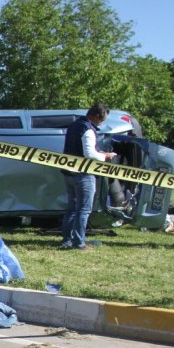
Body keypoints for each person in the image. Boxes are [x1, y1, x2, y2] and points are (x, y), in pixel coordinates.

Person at [60, 103, 116, 251]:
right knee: (83, 209)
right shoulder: (88, 129)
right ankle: (79, 243)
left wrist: (99, 153)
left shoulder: (74, 126)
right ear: (97, 116)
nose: (101, 123)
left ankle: (66, 240)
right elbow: (89, 154)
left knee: (72, 208)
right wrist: (106, 157)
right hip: (84, 174)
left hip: (69, 173)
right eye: (102, 120)